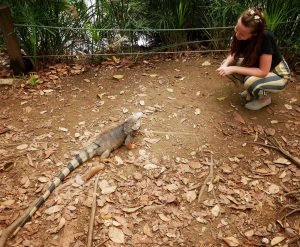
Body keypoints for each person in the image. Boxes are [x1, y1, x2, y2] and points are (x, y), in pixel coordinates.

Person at [216, 8, 291, 110]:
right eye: (236, 28)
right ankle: (253, 91)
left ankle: (264, 98)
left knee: (251, 81)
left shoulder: (266, 37)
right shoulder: (241, 33)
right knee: (227, 64)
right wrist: (226, 65)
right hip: (259, 67)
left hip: (279, 75)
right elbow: (234, 53)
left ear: (254, 34)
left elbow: (263, 72)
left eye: (242, 34)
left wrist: (233, 69)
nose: (237, 35)